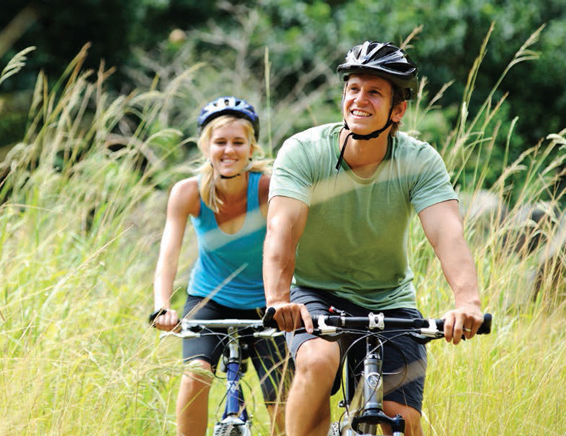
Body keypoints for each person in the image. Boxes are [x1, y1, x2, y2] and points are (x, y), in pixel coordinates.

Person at [262, 41, 485, 436]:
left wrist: (467, 302)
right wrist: (279, 299)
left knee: (404, 421)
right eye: (353, 88)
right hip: (316, 293)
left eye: (374, 92)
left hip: (389, 300)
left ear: (397, 110)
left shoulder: (418, 161)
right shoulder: (304, 151)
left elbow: (447, 233)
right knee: (316, 362)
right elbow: (282, 230)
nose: (359, 100)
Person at [151, 96, 291, 436]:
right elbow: (168, 254)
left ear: (251, 147)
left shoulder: (270, 188)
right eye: (220, 142)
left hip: (266, 304)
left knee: (282, 396)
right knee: (196, 374)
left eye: (238, 142)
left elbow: (291, 244)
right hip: (209, 300)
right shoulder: (187, 192)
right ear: (205, 146)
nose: (229, 150)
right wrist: (162, 307)